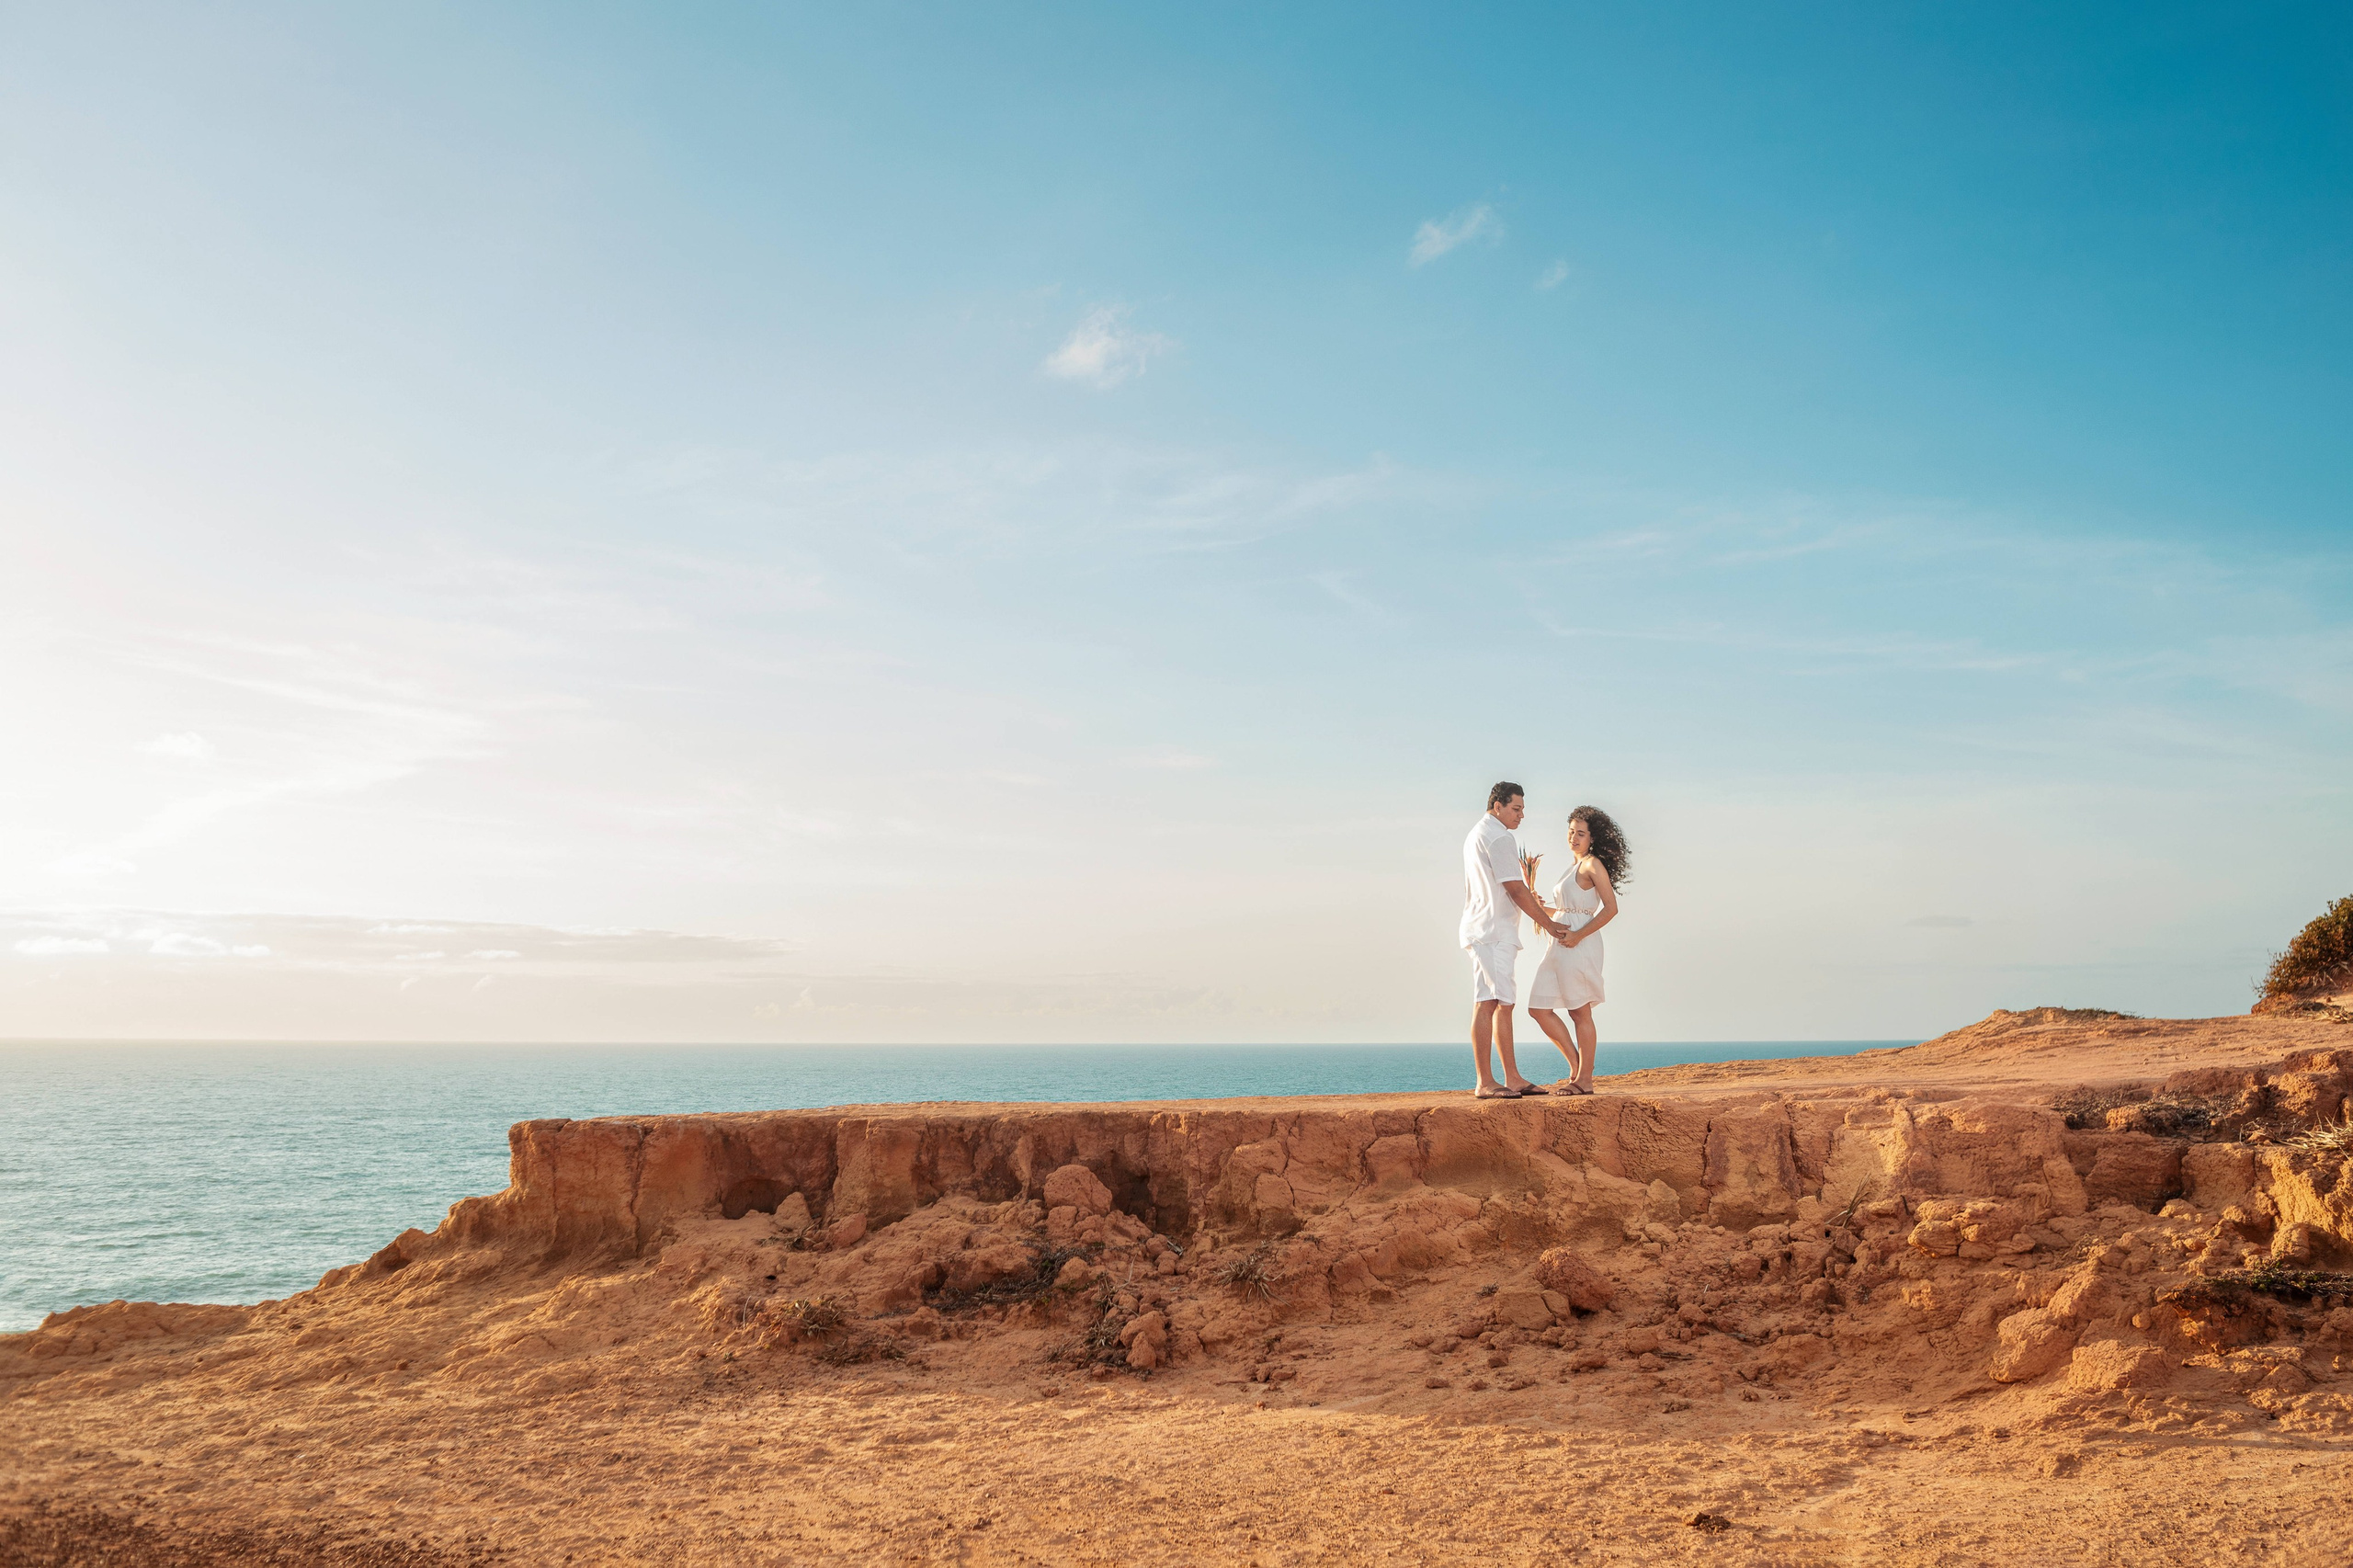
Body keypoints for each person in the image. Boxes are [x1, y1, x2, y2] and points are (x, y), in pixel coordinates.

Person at [1461, 781, 1574, 1099]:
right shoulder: (1499, 836)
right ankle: (1486, 1082)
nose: (1521, 815)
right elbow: (1515, 888)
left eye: (1523, 809)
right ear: (1497, 806)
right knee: (1491, 1003)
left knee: (1500, 1002)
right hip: (1493, 932)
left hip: (1487, 929)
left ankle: (1511, 1078)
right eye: (1516, 808)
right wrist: (1549, 924)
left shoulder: (1477, 834)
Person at [1527, 805, 1630, 1095]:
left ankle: (1584, 1080)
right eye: (1571, 831)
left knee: (1580, 1012)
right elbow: (1564, 910)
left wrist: (1579, 936)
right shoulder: (1573, 867)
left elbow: (1611, 908)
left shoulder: (1591, 865)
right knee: (1538, 1008)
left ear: (1592, 839)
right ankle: (1576, 1065)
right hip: (1559, 944)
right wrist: (1536, 906)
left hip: (1579, 945)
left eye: (1580, 833)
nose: (1573, 837)